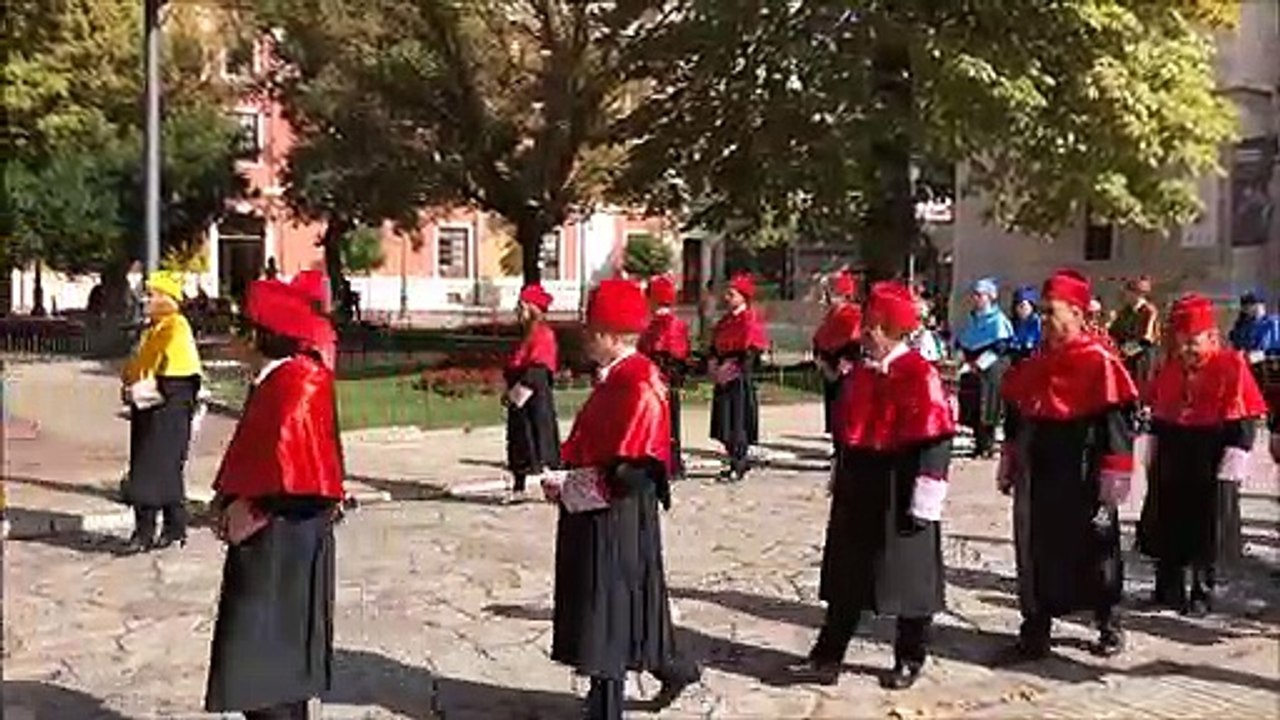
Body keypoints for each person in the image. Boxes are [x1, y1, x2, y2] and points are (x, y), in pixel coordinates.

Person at [544, 279, 700, 720]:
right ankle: (674, 669)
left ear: (609, 335)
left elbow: (633, 471)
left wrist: (573, 487)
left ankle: (606, 709)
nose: (584, 337)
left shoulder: (640, 382)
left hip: (618, 515)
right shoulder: (615, 378)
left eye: (590, 330)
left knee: (609, 607)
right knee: (607, 607)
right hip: (596, 508)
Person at [792, 281, 956, 689]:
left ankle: (910, 655)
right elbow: (848, 431)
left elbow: (936, 437)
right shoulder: (860, 375)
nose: (865, 333)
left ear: (891, 329)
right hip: (860, 483)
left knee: (909, 575)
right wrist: (840, 470)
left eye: (872, 326)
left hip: (902, 486)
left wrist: (928, 491)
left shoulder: (921, 375)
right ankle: (828, 655)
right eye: (866, 325)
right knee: (847, 575)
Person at [204, 277, 346, 720]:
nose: (229, 340)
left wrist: (255, 507)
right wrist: (227, 499)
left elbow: (303, 473)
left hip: (285, 543)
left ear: (254, 336)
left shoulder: (298, 383)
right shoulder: (274, 379)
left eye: (236, 329)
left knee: (271, 668)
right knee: (259, 666)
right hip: (269, 538)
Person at [998, 269, 1138, 660]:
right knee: (1036, 550)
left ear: (1077, 314)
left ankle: (1109, 622)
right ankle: (1036, 626)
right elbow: (1019, 414)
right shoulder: (1035, 362)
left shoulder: (1100, 362)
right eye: (1041, 312)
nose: (1044, 319)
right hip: (1040, 473)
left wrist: (1115, 472)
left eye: (1052, 311)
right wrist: (1010, 459)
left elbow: (1117, 422)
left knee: (1096, 548)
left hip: (1085, 471)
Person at [1138, 294, 1268, 616]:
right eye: (1181, 342)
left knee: (1205, 527)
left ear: (1211, 336)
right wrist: (1152, 442)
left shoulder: (1231, 365)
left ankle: (1201, 592)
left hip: (1212, 453)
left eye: (1192, 342)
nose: (1186, 349)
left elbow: (1244, 416)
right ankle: (1167, 588)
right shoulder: (1170, 367)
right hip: (1172, 451)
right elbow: (1159, 409)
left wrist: (1237, 453)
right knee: (1165, 519)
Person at [119, 271, 203, 553]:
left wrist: (146, 392)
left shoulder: (176, 328)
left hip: (168, 411)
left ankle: (145, 533)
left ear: (167, 299)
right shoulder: (153, 328)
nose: (146, 299)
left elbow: (181, 377)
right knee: (160, 470)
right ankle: (175, 527)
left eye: (152, 294)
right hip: (148, 409)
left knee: (152, 472)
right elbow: (139, 364)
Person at [708, 273, 769, 482]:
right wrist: (714, 364)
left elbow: (752, 350)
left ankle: (739, 463)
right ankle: (732, 459)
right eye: (727, 293)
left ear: (743, 296)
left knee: (738, 423)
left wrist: (732, 368)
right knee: (725, 423)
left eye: (731, 293)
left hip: (739, 377)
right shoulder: (725, 321)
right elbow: (714, 346)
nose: (727, 297)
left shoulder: (749, 319)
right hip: (723, 374)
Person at [505, 284, 561, 502]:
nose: (518, 310)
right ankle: (519, 487)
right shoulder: (527, 334)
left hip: (534, 398)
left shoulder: (544, 334)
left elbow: (538, 369)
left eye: (522, 305)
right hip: (520, 399)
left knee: (541, 441)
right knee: (519, 442)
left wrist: (518, 394)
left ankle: (554, 486)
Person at [639, 275, 692, 481]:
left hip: (664, 381)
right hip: (651, 381)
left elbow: (676, 355)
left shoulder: (672, 325)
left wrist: (664, 379)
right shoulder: (650, 324)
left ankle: (670, 464)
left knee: (668, 425)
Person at [955, 278, 1014, 457]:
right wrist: (962, 359)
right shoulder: (973, 318)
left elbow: (1001, 346)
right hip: (972, 368)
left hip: (991, 368)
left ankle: (987, 444)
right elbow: (964, 341)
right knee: (971, 404)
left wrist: (980, 363)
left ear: (990, 297)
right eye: (975, 295)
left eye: (980, 295)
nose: (976, 298)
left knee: (988, 405)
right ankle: (978, 442)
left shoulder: (998, 320)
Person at [811, 270, 863, 439]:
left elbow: (854, 342)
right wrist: (822, 362)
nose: (825, 297)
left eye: (828, 292)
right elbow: (820, 340)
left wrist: (842, 365)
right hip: (830, 368)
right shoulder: (830, 316)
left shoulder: (853, 314)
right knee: (835, 416)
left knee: (847, 415)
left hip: (846, 370)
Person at [1109, 276, 1161, 390]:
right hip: (1127, 356)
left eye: (1128, 292)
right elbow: (1113, 332)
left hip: (1143, 357)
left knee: (1140, 388)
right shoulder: (1125, 312)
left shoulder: (1149, 311)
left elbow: (1147, 339)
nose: (1125, 295)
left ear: (1136, 293)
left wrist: (1125, 352)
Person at [1228, 291, 1280, 363]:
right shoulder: (1241, 325)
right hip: (1246, 363)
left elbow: (1274, 351)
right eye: (1245, 306)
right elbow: (1236, 346)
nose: (1249, 308)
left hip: (1265, 362)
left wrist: (1259, 355)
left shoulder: (1272, 323)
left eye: (1252, 304)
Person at [1009, 285, 1042, 363]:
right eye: (1018, 305)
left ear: (1032, 307)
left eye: (1024, 306)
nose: (1021, 309)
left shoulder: (1038, 323)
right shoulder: (1012, 323)